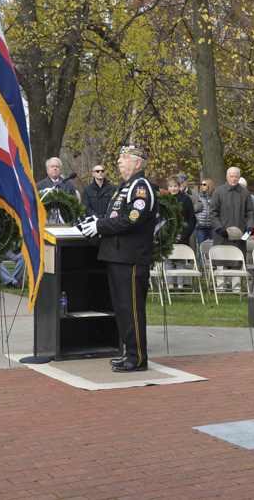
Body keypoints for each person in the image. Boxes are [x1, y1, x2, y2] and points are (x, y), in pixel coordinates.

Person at [79, 144, 158, 373]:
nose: (119, 161)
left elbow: (132, 219)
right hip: (116, 255)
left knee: (132, 309)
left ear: (138, 162)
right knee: (121, 309)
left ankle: (138, 357)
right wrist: (96, 223)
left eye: (124, 157)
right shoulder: (124, 187)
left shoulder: (141, 187)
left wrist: (100, 225)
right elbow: (115, 216)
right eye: (120, 157)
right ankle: (129, 353)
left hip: (131, 257)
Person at [210, 167, 254, 291]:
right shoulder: (218, 192)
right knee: (221, 261)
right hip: (221, 234)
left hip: (239, 234)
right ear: (227, 177)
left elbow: (250, 213)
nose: (234, 179)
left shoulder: (245, 193)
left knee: (237, 261)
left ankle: (237, 288)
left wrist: (250, 226)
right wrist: (219, 228)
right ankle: (220, 287)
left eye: (236, 177)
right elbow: (213, 213)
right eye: (232, 176)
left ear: (239, 177)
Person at [164, 175, 196, 290]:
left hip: (182, 235)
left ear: (179, 186)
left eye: (175, 186)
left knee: (180, 261)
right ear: (168, 188)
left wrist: (187, 232)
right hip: (168, 235)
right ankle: (170, 285)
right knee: (168, 261)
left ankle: (180, 285)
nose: (173, 189)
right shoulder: (164, 200)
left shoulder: (186, 199)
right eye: (171, 186)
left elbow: (192, 218)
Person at [195, 178, 215, 249]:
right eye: (201, 184)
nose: (202, 186)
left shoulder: (215, 197)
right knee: (201, 248)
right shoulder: (198, 197)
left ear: (209, 185)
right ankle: (201, 258)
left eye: (204, 184)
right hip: (200, 226)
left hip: (212, 226)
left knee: (214, 247)